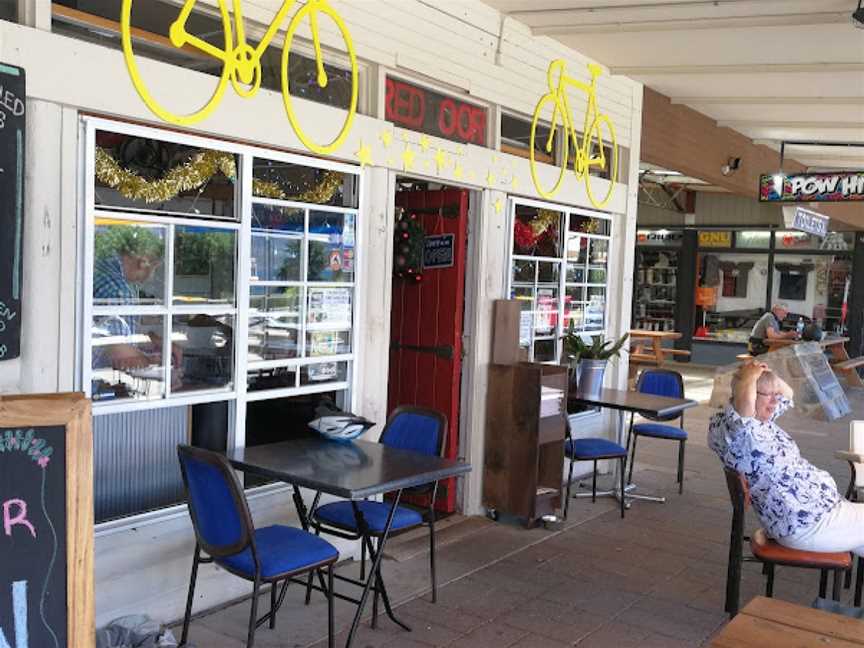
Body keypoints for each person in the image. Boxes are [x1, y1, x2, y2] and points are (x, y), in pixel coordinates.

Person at [708, 361, 864, 558]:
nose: (775, 402)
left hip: (811, 515)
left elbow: (787, 394)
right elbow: (744, 414)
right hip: (807, 524)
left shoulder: (758, 421)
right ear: (746, 395)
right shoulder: (744, 433)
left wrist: (765, 373)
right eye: (768, 396)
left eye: (775, 395)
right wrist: (748, 377)